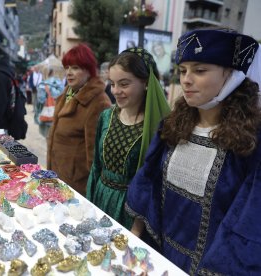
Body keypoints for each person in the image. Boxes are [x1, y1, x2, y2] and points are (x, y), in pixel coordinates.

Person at [126, 28, 261, 274]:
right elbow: (148, 183)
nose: (186, 80)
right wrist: (135, 238)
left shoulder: (251, 142)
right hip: (161, 257)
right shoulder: (172, 127)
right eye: (183, 70)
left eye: (199, 70)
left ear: (231, 75)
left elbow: (248, 223)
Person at [87, 48, 170, 229]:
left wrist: (137, 228)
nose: (115, 91)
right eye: (112, 83)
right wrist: (90, 205)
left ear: (146, 83)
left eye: (124, 84)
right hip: (100, 199)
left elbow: (153, 182)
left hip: (131, 211)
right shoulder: (106, 117)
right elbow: (96, 166)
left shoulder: (157, 127)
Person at [47, 44, 112, 196]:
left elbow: (95, 156)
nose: (69, 73)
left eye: (75, 68)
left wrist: (92, 192)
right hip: (57, 175)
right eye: (67, 67)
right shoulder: (68, 93)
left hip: (76, 185)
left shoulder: (98, 102)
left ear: (89, 70)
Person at [36, 68, 64, 138]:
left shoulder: (43, 84)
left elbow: (41, 101)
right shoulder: (61, 85)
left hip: (47, 117)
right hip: (59, 116)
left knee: (48, 138)